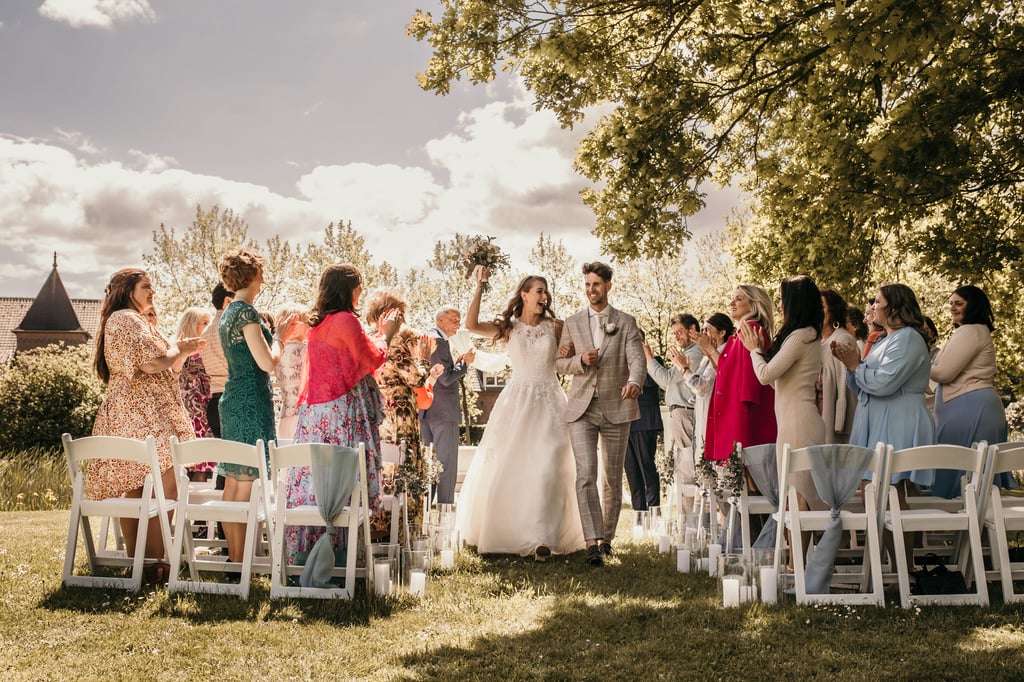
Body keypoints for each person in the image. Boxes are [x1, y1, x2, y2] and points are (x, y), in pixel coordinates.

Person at [456, 266, 585, 560]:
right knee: (513, 466)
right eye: (539, 290)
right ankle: (514, 531)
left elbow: (575, 357)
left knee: (551, 463)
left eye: (545, 290)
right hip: (517, 402)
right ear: (524, 295)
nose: (544, 295)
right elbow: (472, 324)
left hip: (551, 400)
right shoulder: (509, 327)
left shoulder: (557, 327)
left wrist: (570, 356)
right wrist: (479, 285)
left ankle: (544, 537)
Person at [89, 268, 203, 582]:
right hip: (142, 414)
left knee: (138, 487)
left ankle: (141, 563)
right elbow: (151, 363)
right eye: (145, 286)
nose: (152, 291)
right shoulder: (126, 318)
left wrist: (182, 350)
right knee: (163, 484)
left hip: (137, 410)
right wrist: (178, 349)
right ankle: (153, 563)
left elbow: (165, 366)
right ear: (126, 290)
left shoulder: (133, 320)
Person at [285, 264, 395, 565]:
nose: (361, 291)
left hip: (315, 415)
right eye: (358, 285)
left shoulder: (319, 324)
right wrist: (387, 336)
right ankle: (342, 560)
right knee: (345, 479)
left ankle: (310, 554)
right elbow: (370, 358)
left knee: (317, 481)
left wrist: (376, 334)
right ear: (348, 288)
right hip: (341, 411)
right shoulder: (346, 320)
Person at [555, 261, 645, 567]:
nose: (591, 290)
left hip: (617, 407)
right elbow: (559, 363)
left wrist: (634, 382)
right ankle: (591, 542)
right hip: (581, 408)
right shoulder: (573, 322)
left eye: (596, 284)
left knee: (611, 478)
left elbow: (636, 359)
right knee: (585, 475)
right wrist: (580, 359)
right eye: (587, 285)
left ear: (608, 285)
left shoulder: (626, 322)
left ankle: (607, 538)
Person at [217, 248, 297, 564]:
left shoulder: (228, 313)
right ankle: (241, 564)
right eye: (261, 273)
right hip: (250, 400)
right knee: (247, 483)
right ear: (252, 276)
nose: (264, 279)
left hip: (235, 398)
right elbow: (266, 362)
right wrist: (280, 336)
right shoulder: (247, 313)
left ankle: (237, 562)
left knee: (235, 483)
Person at [831, 283, 936, 495]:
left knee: (886, 495)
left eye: (878, 302)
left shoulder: (907, 338)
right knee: (874, 494)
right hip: (879, 422)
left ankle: (897, 530)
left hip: (897, 422)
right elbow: (863, 387)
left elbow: (883, 383)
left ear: (894, 308)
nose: (873, 307)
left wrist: (855, 365)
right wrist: (850, 364)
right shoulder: (885, 340)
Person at [738, 275, 825, 508]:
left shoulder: (800, 337)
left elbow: (765, 375)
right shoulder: (805, 335)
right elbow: (777, 383)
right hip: (791, 421)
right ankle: (797, 545)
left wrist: (754, 351)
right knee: (794, 495)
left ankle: (801, 545)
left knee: (799, 497)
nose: (779, 305)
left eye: (783, 299)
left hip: (799, 423)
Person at [366, 287, 437, 535]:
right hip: (400, 416)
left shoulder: (373, 340)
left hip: (381, 413)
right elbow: (416, 378)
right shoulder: (395, 344)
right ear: (387, 314)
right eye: (400, 313)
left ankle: (381, 529)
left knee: (386, 469)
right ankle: (404, 532)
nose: (404, 319)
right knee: (403, 468)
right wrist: (424, 358)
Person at [930, 285, 1011, 497]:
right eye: (951, 303)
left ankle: (971, 528)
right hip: (973, 406)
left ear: (972, 306)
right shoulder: (973, 331)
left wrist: (917, 365)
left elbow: (944, 373)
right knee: (976, 482)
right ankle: (974, 529)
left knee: (968, 476)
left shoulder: (970, 331)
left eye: (959, 303)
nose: (952, 308)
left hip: (971, 409)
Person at [703, 285, 777, 463]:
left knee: (747, 471)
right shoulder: (740, 333)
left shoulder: (750, 329)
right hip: (739, 408)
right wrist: (710, 350)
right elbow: (727, 369)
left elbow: (749, 378)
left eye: (739, 299)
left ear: (754, 305)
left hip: (743, 411)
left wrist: (744, 414)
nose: (732, 303)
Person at [643, 314, 703, 507]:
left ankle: (690, 523)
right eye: (674, 333)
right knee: (683, 465)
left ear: (692, 329)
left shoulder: (694, 353)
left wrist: (649, 359)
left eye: (680, 332)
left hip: (685, 412)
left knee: (687, 467)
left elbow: (666, 379)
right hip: (681, 412)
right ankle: (687, 521)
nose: (677, 337)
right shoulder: (689, 351)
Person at [420, 305, 475, 506]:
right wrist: (465, 364)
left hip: (427, 412)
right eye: (454, 319)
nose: (458, 324)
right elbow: (445, 378)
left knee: (428, 465)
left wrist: (456, 364)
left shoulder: (426, 338)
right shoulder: (439, 340)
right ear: (441, 320)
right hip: (443, 413)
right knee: (446, 465)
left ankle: (424, 509)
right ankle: (444, 512)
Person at [686, 313, 735, 462]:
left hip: (713, 409)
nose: (704, 334)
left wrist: (683, 369)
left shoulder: (725, 352)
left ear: (722, 332)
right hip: (703, 409)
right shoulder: (707, 355)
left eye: (708, 330)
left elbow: (702, 387)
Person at [625, 331, 664, 512]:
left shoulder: (654, 361)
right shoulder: (621, 363)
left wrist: (644, 359)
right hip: (625, 421)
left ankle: (654, 510)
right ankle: (638, 513)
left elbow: (648, 382)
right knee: (631, 470)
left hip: (645, 421)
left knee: (646, 466)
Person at [175, 306, 215, 480]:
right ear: (191, 325)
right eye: (204, 323)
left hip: (204, 410)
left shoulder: (208, 350)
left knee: (203, 464)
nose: (209, 326)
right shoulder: (180, 349)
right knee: (192, 462)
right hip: (190, 412)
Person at [819, 289, 857, 444]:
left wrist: (840, 419)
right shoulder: (816, 340)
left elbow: (845, 384)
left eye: (821, 306)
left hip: (836, 420)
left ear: (833, 312)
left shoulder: (842, 338)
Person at [200, 283, 233, 438]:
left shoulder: (205, 332)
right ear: (228, 301)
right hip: (234, 401)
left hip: (214, 403)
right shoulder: (232, 327)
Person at [274, 303, 309, 442]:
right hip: (303, 416)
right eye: (306, 322)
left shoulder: (277, 350)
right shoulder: (305, 350)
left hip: (285, 416)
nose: (309, 325)